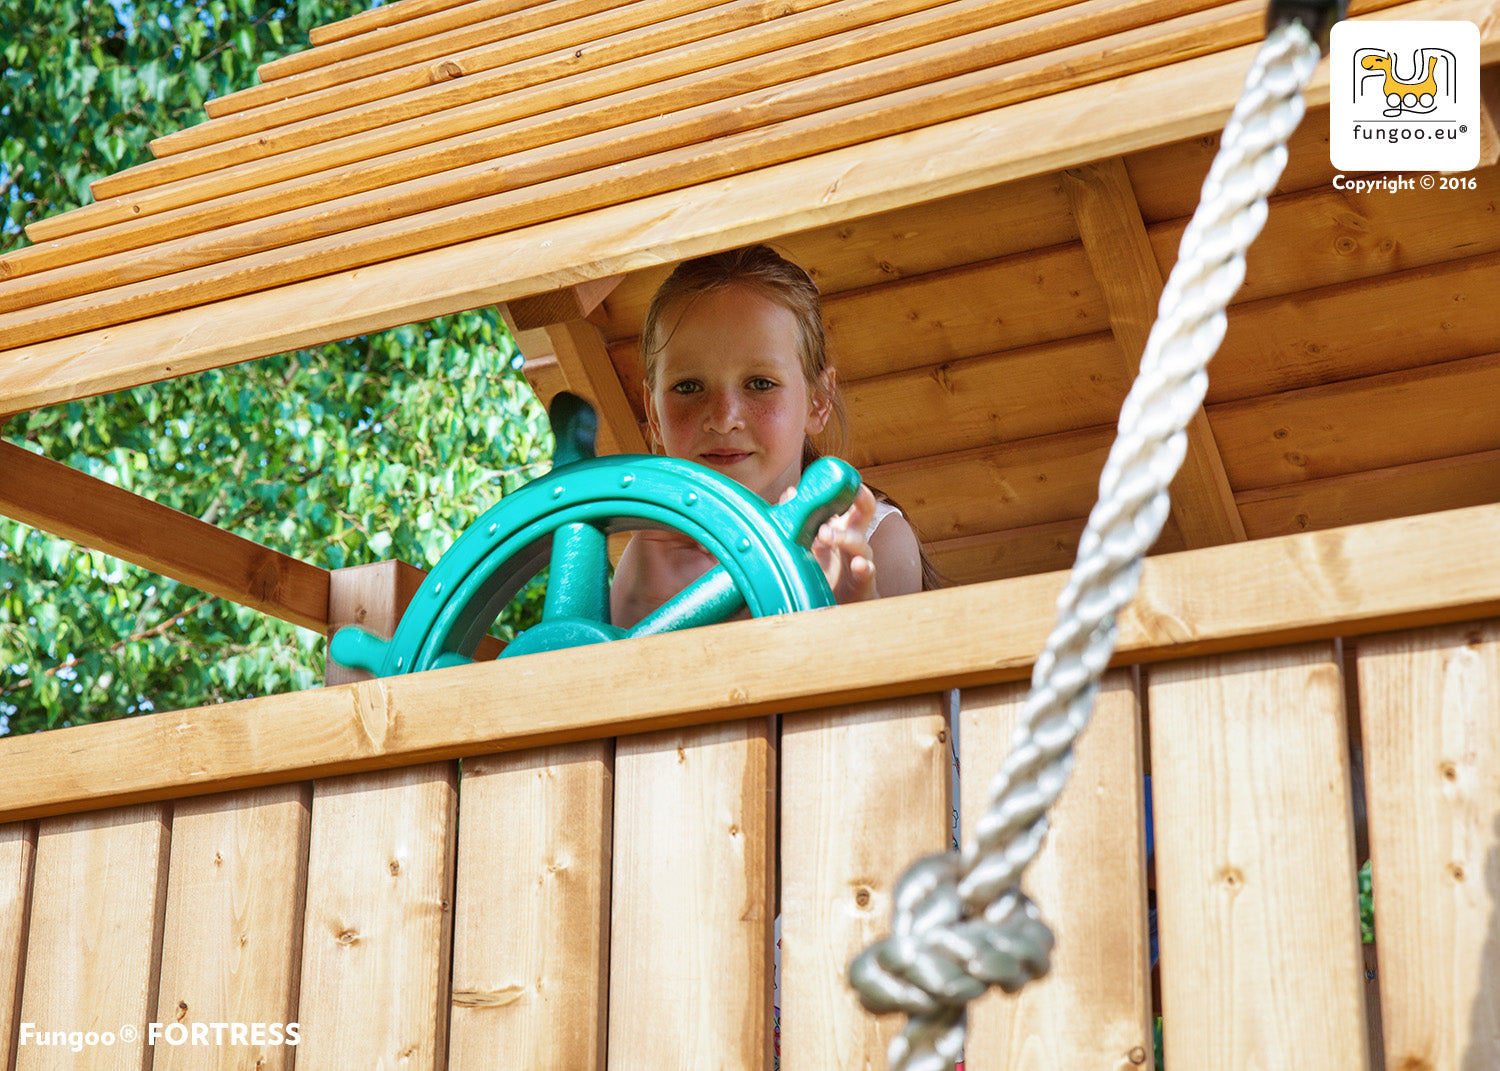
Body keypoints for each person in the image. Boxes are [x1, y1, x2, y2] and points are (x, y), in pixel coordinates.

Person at [609, 244, 933, 628]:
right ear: (653, 413)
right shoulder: (648, 558)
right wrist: (641, 612)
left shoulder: (875, 543)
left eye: (760, 383)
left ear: (818, 401)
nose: (724, 418)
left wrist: (851, 616)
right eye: (688, 387)